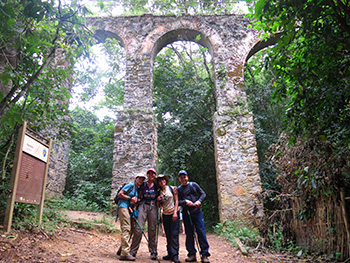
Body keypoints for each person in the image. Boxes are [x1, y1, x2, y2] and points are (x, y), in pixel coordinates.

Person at [177, 170, 211, 263]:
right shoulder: (179, 189)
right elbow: (178, 202)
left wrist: (199, 201)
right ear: (179, 179)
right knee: (189, 234)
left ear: (187, 177)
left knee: (201, 232)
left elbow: (203, 194)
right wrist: (185, 202)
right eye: (181, 177)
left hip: (197, 212)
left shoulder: (194, 185)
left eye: (184, 177)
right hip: (186, 213)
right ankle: (192, 254)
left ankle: (204, 254)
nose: (183, 179)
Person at [130, 168, 159, 260]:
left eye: (153, 173)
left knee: (152, 229)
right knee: (138, 228)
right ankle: (133, 251)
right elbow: (139, 194)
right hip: (143, 205)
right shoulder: (143, 184)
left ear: (155, 174)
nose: (151, 175)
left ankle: (153, 251)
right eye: (149, 173)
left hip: (153, 206)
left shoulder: (157, 184)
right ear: (147, 175)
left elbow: (162, 191)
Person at [117, 173, 146, 261]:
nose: (141, 180)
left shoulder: (137, 189)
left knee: (132, 229)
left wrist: (135, 202)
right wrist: (130, 199)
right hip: (123, 207)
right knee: (126, 228)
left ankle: (121, 249)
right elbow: (120, 194)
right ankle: (124, 254)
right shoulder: (130, 185)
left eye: (142, 179)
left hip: (130, 209)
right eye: (139, 178)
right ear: (136, 178)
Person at [156, 174, 180, 263]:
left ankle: (175, 255)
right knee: (168, 234)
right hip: (165, 215)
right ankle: (170, 253)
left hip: (173, 214)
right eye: (160, 180)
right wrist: (158, 200)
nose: (162, 181)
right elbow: (160, 205)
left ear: (165, 180)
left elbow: (176, 200)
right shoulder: (159, 192)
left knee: (174, 234)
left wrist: (175, 213)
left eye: (163, 180)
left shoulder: (172, 188)